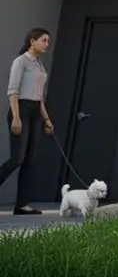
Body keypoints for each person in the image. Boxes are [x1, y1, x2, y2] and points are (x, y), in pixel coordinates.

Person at [0, 28, 54, 215]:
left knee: (31, 160)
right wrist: (16, 117)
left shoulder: (39, 65)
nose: (47, 44)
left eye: (48, 41)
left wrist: (46, 119)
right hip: (21, 110)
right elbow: (13, 91)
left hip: (36, 111)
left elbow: (39, 97)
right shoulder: (21, 61)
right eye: (44, 40)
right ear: (32, 41)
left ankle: (22, 204)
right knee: (17, 158)